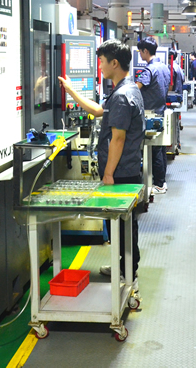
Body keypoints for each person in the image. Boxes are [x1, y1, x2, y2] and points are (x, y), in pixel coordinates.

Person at [58, 39, 145, 281]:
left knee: (123, 225)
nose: (100, 66)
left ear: (114, 63)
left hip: (120, 172)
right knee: (125, 224)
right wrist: (71, 91)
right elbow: (98, 111)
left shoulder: (121, 96)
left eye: (102, 61)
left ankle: (127, 272)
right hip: (127, 168)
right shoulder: (127, 89)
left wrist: (108, 173)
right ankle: (125, 268)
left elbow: (118, 138)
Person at [136, 37, 170, 195]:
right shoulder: (164, 67)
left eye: (140, 51)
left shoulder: (149, 70)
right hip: (161, 112)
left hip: (150, 115)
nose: (140, 54)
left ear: (145, 51)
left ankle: (158, 184)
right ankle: (162, 181)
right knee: (160, 148)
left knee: (155, 149)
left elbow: (135, 89)